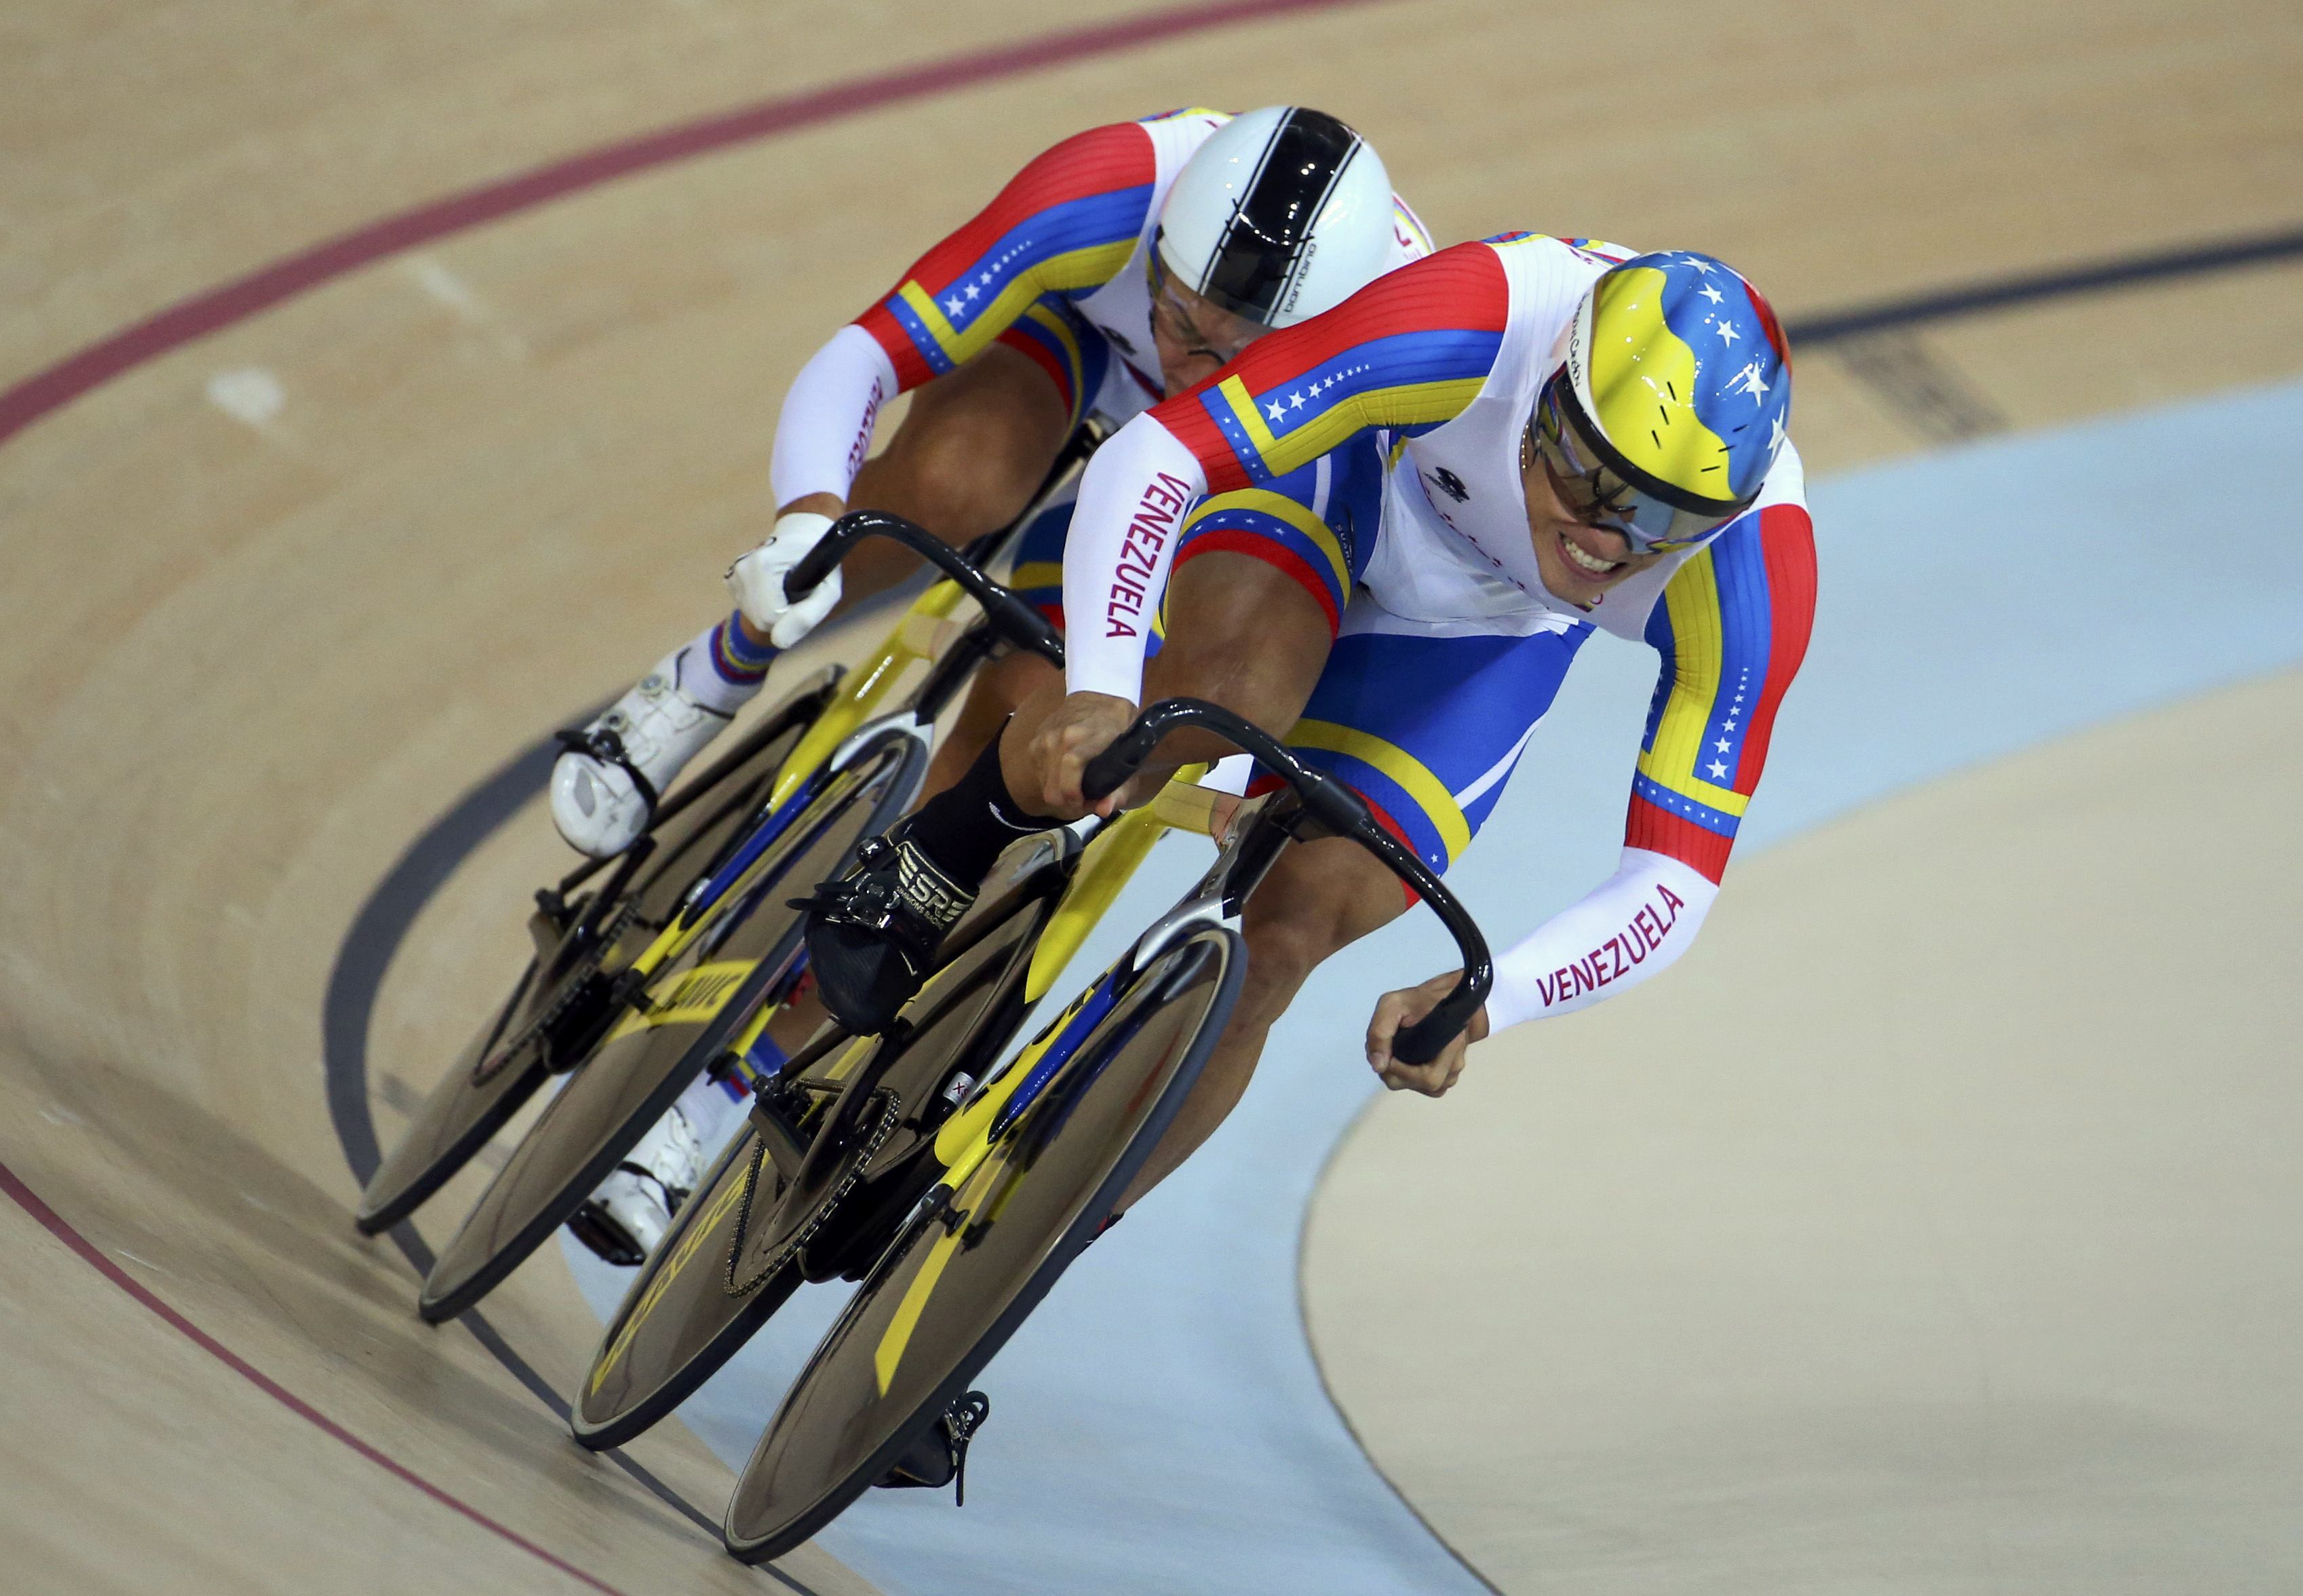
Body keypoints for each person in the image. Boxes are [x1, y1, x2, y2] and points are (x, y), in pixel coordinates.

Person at [567, 106, 1431, 1262]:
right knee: (951, 482)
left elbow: (1313, 601)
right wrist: (808, 524)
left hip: (1249, 463)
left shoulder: (1377, 353)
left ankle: (731, 1084)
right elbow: (867, 354)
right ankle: (715, 672)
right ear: (1161, 235)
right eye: (1175, 308)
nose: (1186, 349)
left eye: (1221, 344)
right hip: (1077, 347)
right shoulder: (1110, 187)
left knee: (1038, 705)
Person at [802, 235, 1816, 1217]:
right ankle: (945, 846)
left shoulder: (1749, 569)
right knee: (1208, 705)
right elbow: (1162, 452)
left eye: (1665, 521)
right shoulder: (1481, 316)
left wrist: (1491, 998)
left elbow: (1673, 884)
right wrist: (1106, 680)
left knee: (1284, 940)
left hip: (1492, 633)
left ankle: (1011, 1252)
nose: (1611, 539)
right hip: (1350, 484)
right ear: (1551, 395)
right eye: (1594, 483)